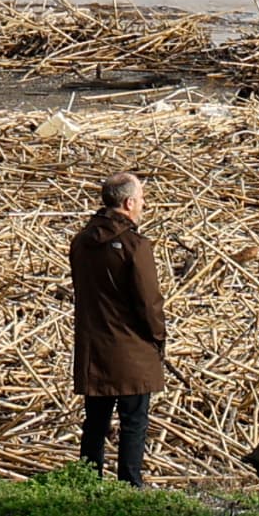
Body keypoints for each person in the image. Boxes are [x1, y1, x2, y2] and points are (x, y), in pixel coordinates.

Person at [68, 174, 170, 483]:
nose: (143, 204)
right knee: (134, 422)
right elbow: (149, 301)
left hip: (94, 350)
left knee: (95, 423)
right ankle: (130, 489)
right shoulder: (134, 245)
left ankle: (86, 486)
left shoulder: (82, 242)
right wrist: (158, 338)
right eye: (140, 199)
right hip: (132, 351)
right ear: (128, 203)